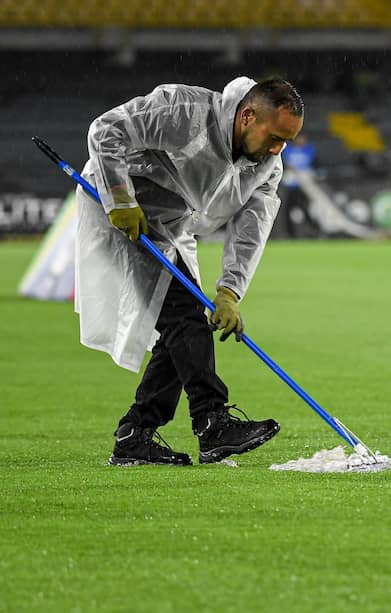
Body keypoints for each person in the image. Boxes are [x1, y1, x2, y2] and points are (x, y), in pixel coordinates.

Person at [76, 77, 304, 465]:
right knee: (185, 320)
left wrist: (229, 293)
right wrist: (119, 197)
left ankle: (135, 434)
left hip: (172, 225)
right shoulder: (183, 109)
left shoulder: (267, 167)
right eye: (275, 136)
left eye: (286, 141)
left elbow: (252, 230)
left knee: (182, 330)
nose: (278, 149)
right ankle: (212, 422)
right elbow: (106, 129)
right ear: (248, 116)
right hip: (119, 210)